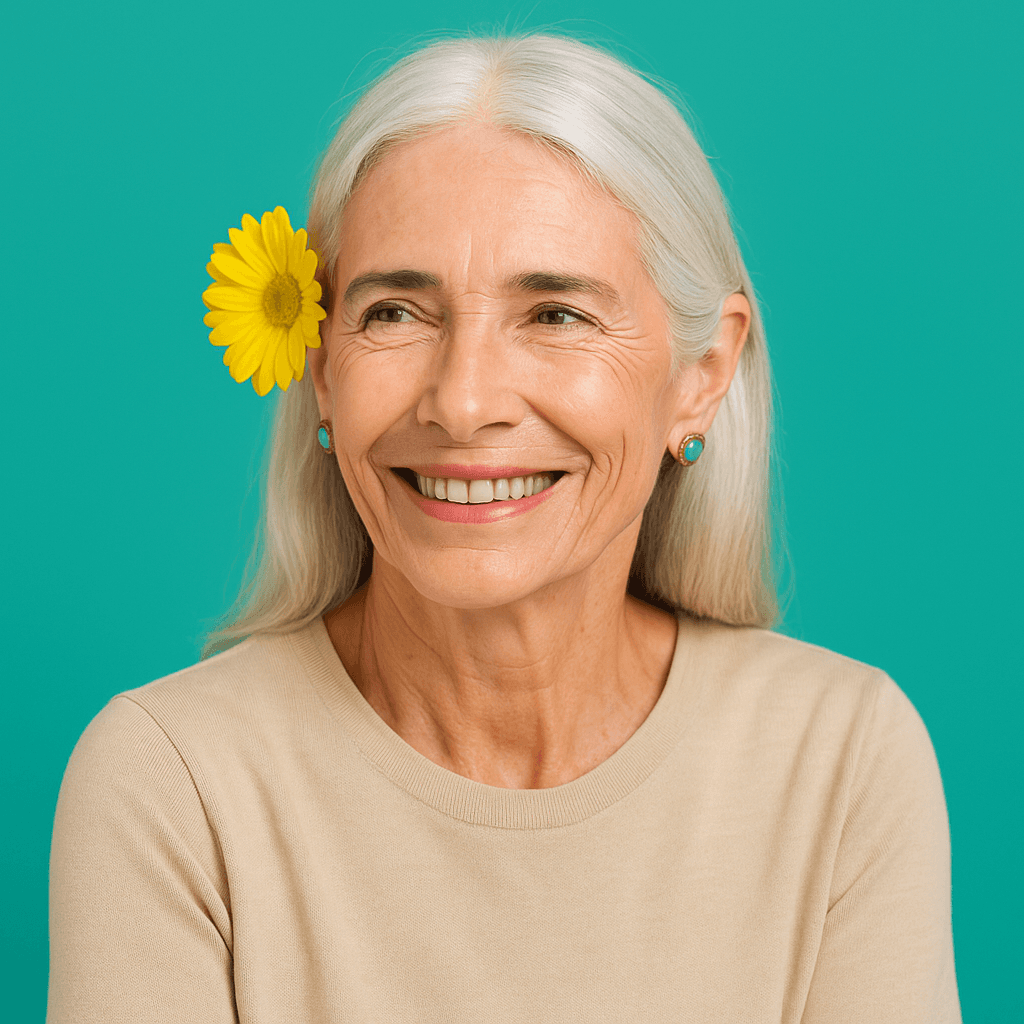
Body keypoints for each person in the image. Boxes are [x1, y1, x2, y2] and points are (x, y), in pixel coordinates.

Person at [46, 33, 961, 1023]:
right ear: (320, 366)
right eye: (395, 311)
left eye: (556, 314)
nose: (464, 400)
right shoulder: (170, 784)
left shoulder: (842, 758)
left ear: (701, 375)